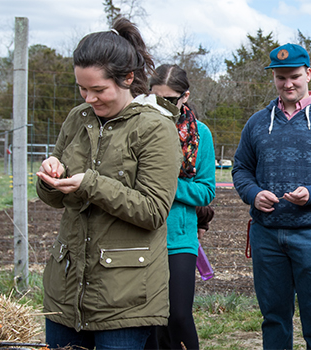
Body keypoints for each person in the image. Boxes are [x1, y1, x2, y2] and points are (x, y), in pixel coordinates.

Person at [35, 18, 183, 350]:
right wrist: (50, 176)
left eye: (98, 89)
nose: (88, 98)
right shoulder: (78, 118)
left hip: (126, 296)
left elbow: (153, 210)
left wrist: (89, 184)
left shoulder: (155, 128)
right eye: (81, 89)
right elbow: (53, 198)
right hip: (66, 291)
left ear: (127, 78)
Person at [232, 43, 311, 350]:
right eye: (280, 78)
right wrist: (253, 194)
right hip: (267, 236)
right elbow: (240, 168)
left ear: (308, 73)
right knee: (274, 318)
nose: (288, 84)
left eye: (294, 76)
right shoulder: (257, 122)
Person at [145, 64, 216, 350]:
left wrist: (166, 185)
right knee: (149, 321)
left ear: (184, 97)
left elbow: (206, 191)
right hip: (142, 235)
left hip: (179, 239)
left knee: (178, 317)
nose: (161, 106)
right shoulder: (138, 127)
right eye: (155, 99)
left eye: (169, 100)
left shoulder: (201, 135)